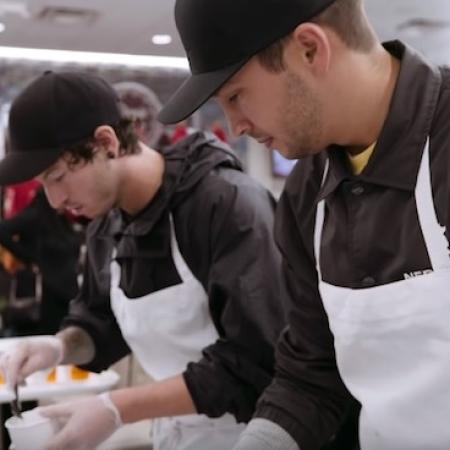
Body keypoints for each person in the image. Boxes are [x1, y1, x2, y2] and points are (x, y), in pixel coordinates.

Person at [158, 0, 450, 449]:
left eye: (236, 96)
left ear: (310, 49)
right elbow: (311, 376)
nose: (234, 127)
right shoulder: (306, 195)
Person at [0, 71, 287, 450]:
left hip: (256, 435)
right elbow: (100, 323)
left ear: (106, 142)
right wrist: (58, 348)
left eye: (57, 176)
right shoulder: (106, 227)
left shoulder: (225, 205)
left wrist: (118, 408)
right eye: (43, 185)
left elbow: (258, 360)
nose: (55, 201)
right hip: (179, 436)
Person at [0, 186, 80, 335]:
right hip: (46, 290)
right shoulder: (34, 216)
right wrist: (28, 257)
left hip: (66, 288)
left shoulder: (59, 219)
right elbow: (2, 230)